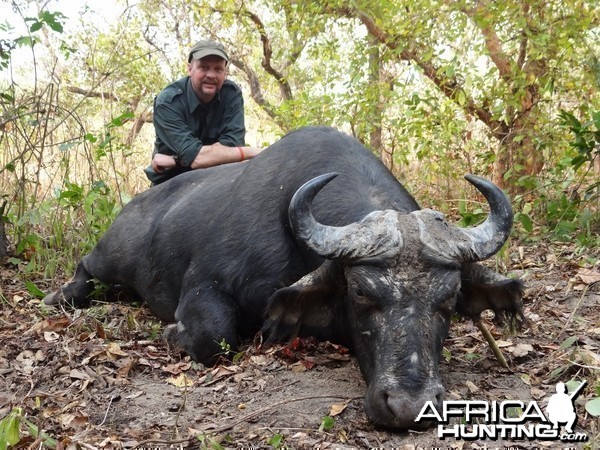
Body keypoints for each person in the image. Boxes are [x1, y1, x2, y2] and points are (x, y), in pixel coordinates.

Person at [144, 39, 261, 185]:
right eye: (204, 67)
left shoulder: (231, 94)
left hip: (216, 178)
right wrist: (250, 152)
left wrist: (177, 160)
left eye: (218, 69)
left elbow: (232, 146)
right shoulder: (168, 101)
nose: (211, 75)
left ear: (225, 72)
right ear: (190, 69)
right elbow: (198, 158)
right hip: (171, 183)